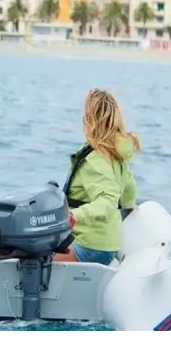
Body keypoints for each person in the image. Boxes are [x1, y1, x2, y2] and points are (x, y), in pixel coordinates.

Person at [59, 88, 140, 266]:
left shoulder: (95, 159)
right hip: (107, 244)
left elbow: (107, 201)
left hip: (88, 245)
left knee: (29, 258)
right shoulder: (117, 154)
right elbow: (129, 187)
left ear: (90, 120)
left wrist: (73, 216)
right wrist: (129, 206)